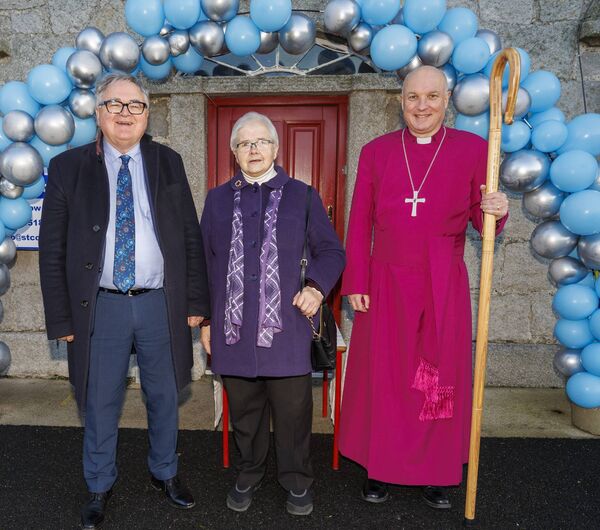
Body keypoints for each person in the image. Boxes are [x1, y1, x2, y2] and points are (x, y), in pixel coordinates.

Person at [39, 73, 209, 529]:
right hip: (101, 307)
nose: (125, 113)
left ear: (147, 114)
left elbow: (189, 236)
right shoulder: (67, 167)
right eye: (114, 105)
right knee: (98, 400)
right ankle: (98, 484)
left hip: (160, 303)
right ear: (98, 114)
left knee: (165, 393)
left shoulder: (168, 161)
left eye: (135, 106)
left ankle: (166, 473)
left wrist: (196, 300)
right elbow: (52, 250)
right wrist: (60, 318)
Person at [339, 66, 509, 509]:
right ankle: (380, 468)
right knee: (387, 378)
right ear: (401, 101)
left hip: (442, 281)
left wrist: (497, 208)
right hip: (386, 279)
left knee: (435, 378)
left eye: (432, 96)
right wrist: (356, 278)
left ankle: (435, 470)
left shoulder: (474, 150)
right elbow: (359, 223)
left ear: (446, 100)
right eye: (413, 97)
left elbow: (481, 220)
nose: (422, 106)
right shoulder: (375, 152)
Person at [200, 112, 345, 516]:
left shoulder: (303, 195)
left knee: (293, 414)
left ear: (276, 149)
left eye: (261, 141)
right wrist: (207, 320)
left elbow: (332, 251)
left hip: (288, 329)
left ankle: (297, 480)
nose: (253, 149)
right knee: (245, 413)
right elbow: (203, 263)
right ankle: (249, 472)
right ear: (234, 153)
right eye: (244, 144)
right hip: (233, 331)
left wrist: (316, 288)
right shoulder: (216, 199)